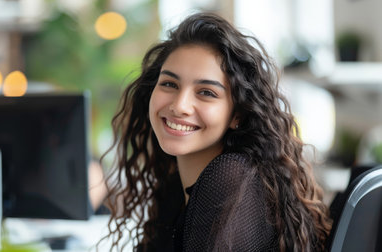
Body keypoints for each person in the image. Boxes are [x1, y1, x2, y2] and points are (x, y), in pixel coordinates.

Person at [101, 12, 331, 251]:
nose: (179, 105)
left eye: (206, 92)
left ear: (237, 115)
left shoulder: (231, 179)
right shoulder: (174, 183)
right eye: (169, 84)